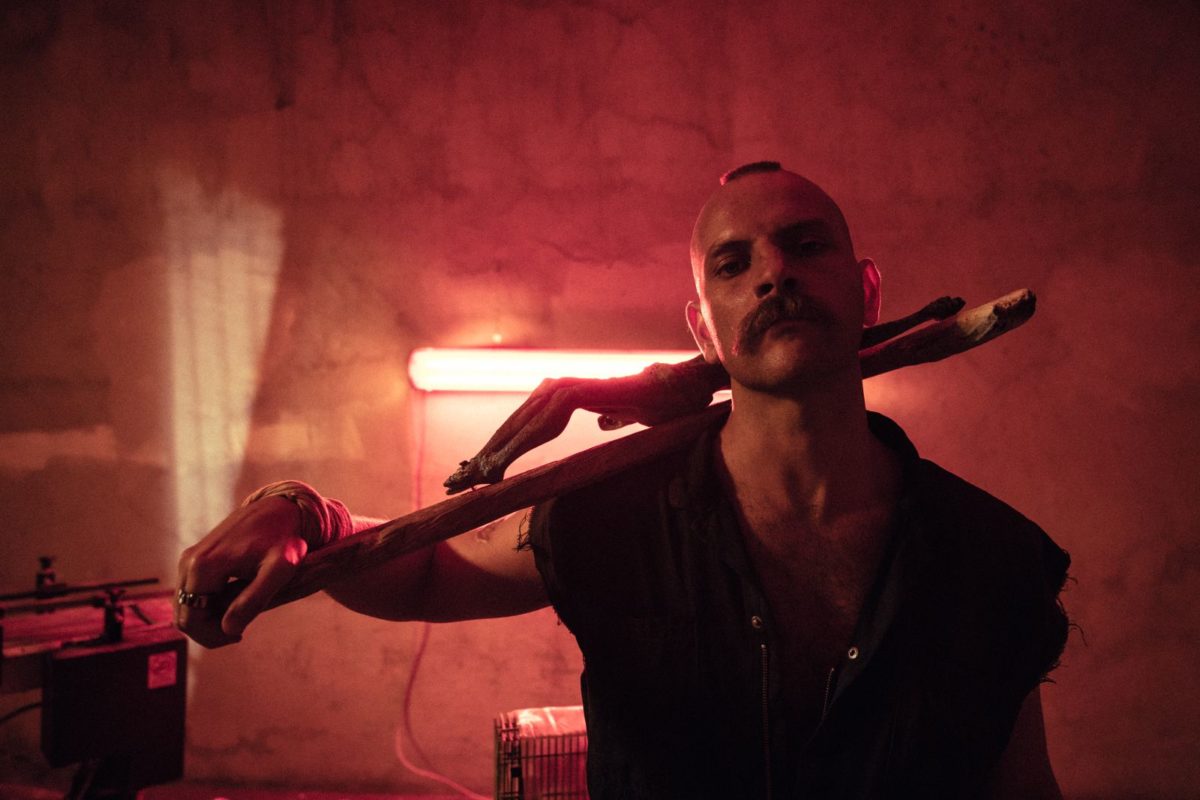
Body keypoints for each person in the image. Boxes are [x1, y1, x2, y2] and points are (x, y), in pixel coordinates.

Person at [176, 162, 1070, 798]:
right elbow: (421, 571)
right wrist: (302, 512)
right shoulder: (611, 514)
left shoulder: (991, 556)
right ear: (703, 329)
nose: (775, 273)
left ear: (868, 293)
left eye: (805, 245)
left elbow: (1020, 784)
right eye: (734, 264)